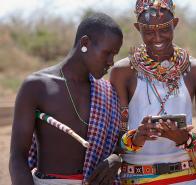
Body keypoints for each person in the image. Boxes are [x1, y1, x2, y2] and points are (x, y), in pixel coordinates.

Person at [9, 13, 123, 185]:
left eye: (114, 55)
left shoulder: (107, 92)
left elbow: (119, 139)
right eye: (107, 53)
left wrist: (116, 158)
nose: (111, 62)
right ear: (85, 43)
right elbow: (17, 156)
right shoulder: (37, 86)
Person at [110, 0, 196, 184]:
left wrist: (186, 139)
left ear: (175, 24)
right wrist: (135, 138)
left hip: (186, 177)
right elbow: (114, 142)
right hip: (136, 177)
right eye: (148, 32)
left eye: (165, 29)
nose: (157, 38)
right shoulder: (123, 72)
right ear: (137, 28)